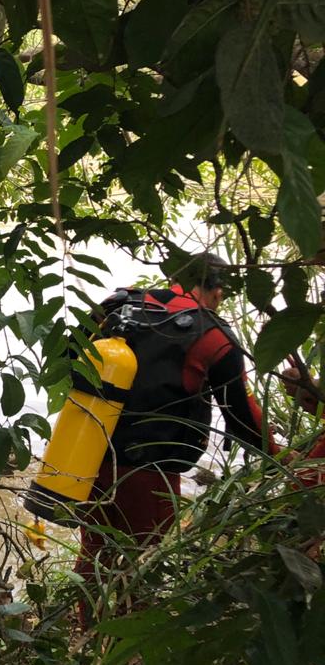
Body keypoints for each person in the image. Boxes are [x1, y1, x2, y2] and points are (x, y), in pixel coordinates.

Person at [75, 252, 277, 619]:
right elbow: (242, 415)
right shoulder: (213, 336)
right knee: (141, 566)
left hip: (88, 452)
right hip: (151, 470)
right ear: (218, 291)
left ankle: (88, 641)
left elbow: (70, 354)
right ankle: (122, 657)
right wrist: (280, 456)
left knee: (95, 552)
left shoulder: (119, 303)